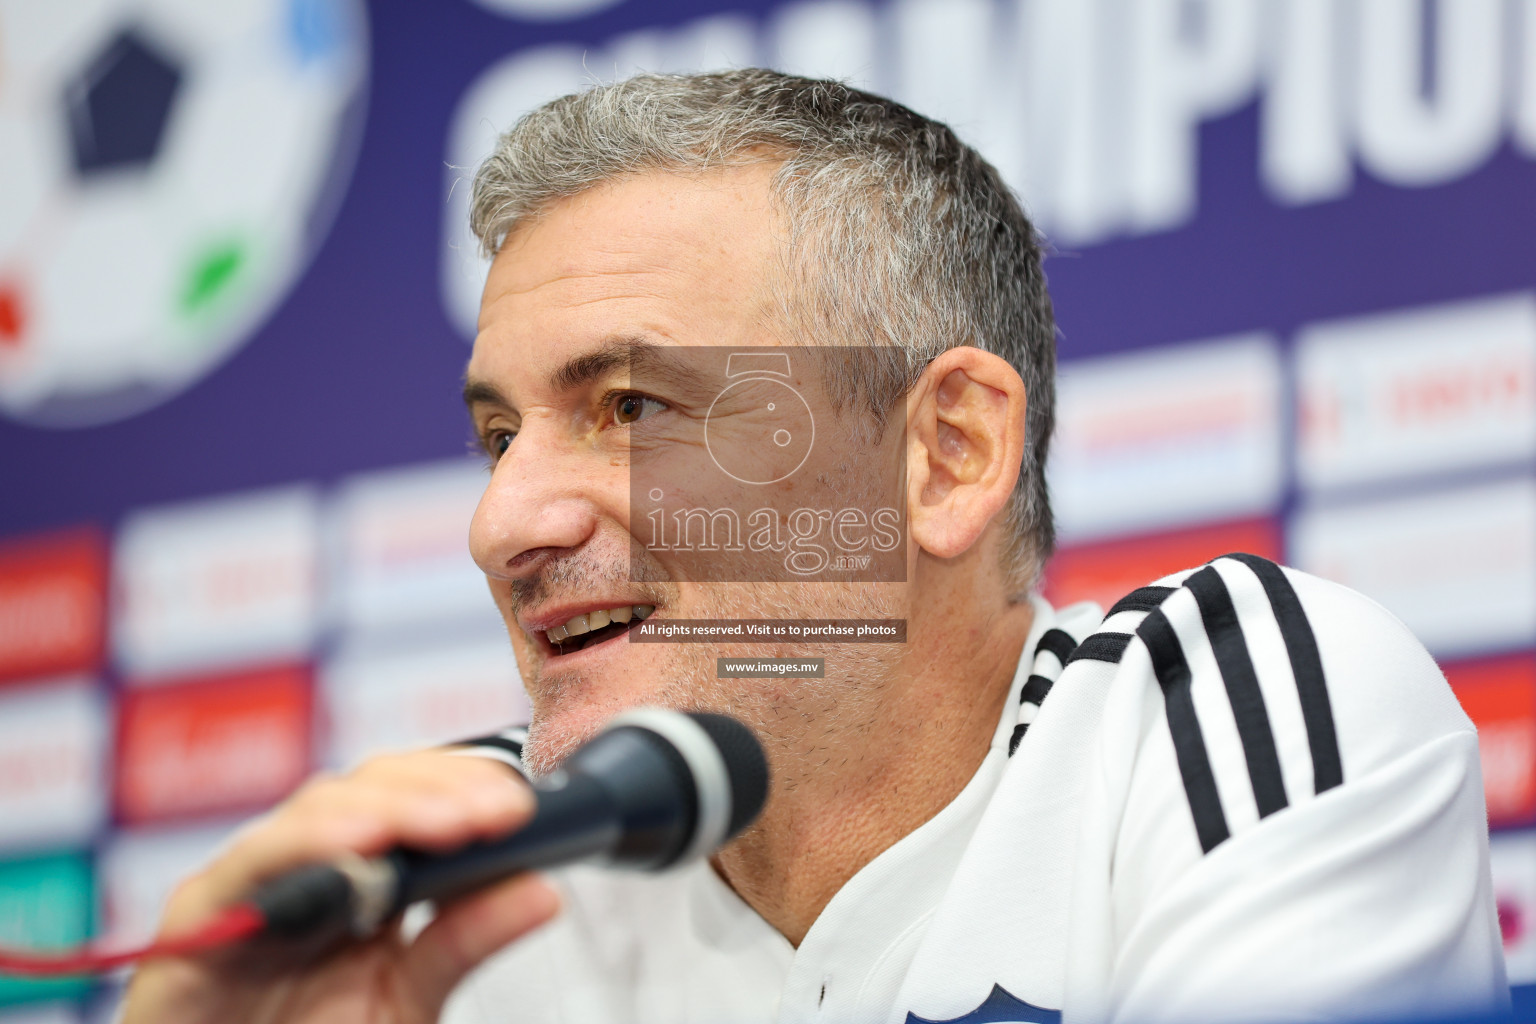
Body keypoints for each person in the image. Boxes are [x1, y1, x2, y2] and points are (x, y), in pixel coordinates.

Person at [122, 69, 1507, 1024]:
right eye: (499, 438)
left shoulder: (1211, 712)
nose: (503, 526)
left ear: (947, 452)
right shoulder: (441, 897)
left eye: (634, 407)